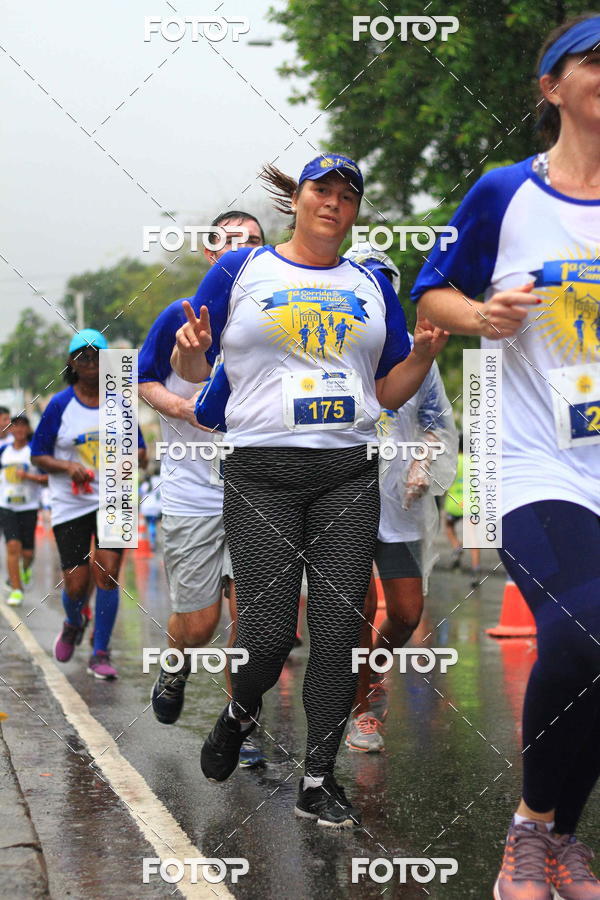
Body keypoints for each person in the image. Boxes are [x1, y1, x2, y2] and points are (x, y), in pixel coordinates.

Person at [171, 154, 448, 827]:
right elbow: (193, 364)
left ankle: (319, 779)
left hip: (346, 476)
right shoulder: (243, 270)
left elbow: (385, 393)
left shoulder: (368, 285)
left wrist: (421, 358)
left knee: (335, 638)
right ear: (296, 199)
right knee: (266, 639)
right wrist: (188, 351)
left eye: (347, 194)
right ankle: (240, 713)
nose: (333, 202)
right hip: (262, 476)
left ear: (354, 211)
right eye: (321, 190)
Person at [412, 14, 600, 898]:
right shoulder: (503, 193)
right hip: (533, 464)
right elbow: (432, 293)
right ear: (550, 87)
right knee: (579, 631)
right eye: (594, 61)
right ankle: (530, 826)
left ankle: (563, 840)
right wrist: (481, 317)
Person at [138, 210, 267, 768]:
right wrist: (180, 407)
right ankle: (176, 661)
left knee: (258, 620)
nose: (244, 251)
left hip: (260, 490)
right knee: (202, 622)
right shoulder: (180, 315)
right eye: (233, 243)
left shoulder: (278, 317)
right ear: (211, 254)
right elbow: (140, 378)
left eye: (255, 243)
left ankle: (241, 721)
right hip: (192, 493)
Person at [341, 246, 457, 752]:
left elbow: (436, 423)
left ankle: (368, 673)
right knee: (358, 608)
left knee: (407, 614)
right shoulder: (332, 347)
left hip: (400, 502)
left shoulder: (418, 351)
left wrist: (422, 462)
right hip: (345, 495)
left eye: (385, 283)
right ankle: (362, 710)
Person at [31, 329, 146, 679]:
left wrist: (130, 456)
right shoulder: (59, 406)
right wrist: (68, 467)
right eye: (84, 356)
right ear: (72, 362)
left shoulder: (121, 403)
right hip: (71, 504)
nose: (92, 363)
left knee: (108, 574)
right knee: (76, 585)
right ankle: (73, 620)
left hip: (115, 498)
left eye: (98, 357)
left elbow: (141, 452)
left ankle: (100, 651)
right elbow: (38, 455)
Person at [0, 415, 47, 607]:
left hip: (28, 507)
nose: (18, 430)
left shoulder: (34, 452)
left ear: (28, 430)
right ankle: (16, 589)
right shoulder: (4, 451)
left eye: (22, 427)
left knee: (28, 553)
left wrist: (28, 476)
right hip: (7, 506)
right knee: (12, 546)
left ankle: (25, 569)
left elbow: (47, 479)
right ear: (10, 430)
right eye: (14, 427)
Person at [444, 434, 481, 586]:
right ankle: (476, 569)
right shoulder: (476, 462)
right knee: (473, 538)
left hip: (454, 504)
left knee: (448, 526)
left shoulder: (452, 462)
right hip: (471, 505)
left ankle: (457, 546)